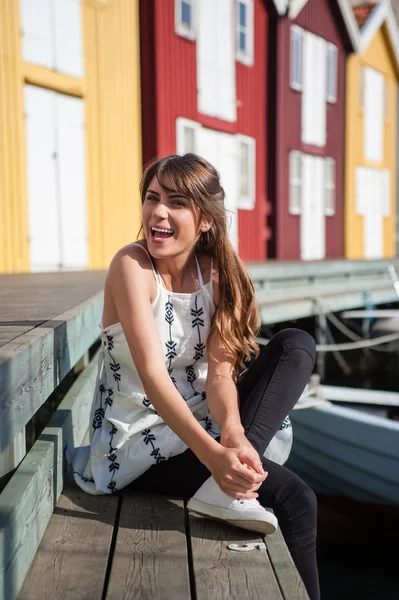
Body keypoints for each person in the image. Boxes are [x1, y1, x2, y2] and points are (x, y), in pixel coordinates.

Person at [73, 154, 320, 600]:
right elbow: (153, 376)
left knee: (296, 344)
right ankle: (224, 483)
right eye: (152, 198)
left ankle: (235, 470)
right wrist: (212, 457)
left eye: (176, 202)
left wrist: (233, 434)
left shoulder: (218, 272)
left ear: (205, 220)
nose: (158, 212)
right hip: (141, 442)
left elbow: (221, 375)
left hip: (204, 424)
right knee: (296, 499)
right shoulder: (132, 265)